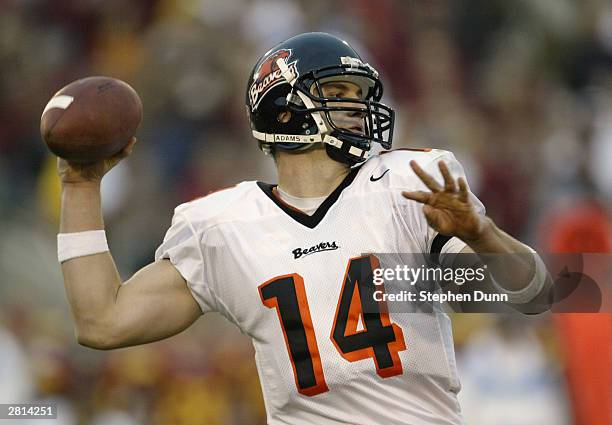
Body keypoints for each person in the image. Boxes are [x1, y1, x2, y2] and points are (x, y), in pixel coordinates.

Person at [57, 32, 550, 424]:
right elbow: (102, 321)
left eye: (359, 96)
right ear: (284, 108)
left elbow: (535, 295)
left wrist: (484, 235)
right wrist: (80, 186)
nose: (357, 108)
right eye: (338, 93)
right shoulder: (223, 226)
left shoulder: (405, 187)